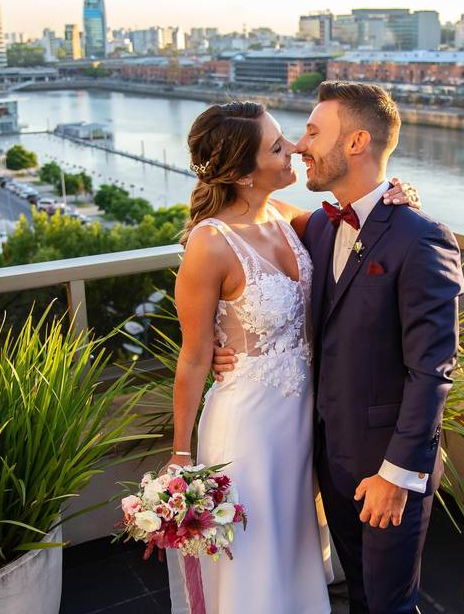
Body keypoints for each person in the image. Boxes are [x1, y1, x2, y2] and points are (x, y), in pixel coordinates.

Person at [214, 82, 464, 613]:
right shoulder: (320, 228)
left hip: (388, 468)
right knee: (360, 595)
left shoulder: (422, 240)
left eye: (311, 132)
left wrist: (396, 475)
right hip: (332, 458)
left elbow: (433, 372)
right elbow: (243, 238)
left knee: (390, 604)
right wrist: (222, 341)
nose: (301, 145)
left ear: (355, 142)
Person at [166, 101, 417, 614]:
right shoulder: (209, 245)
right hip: (247, 427)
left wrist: (397, 195)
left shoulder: (289, 219)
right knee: (255, 558)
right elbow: (193, 358)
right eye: (278, 147)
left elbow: (358, 227)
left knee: (293, 550)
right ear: (240, 171)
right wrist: (180, 454)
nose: (295, 151)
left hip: (301, 423)